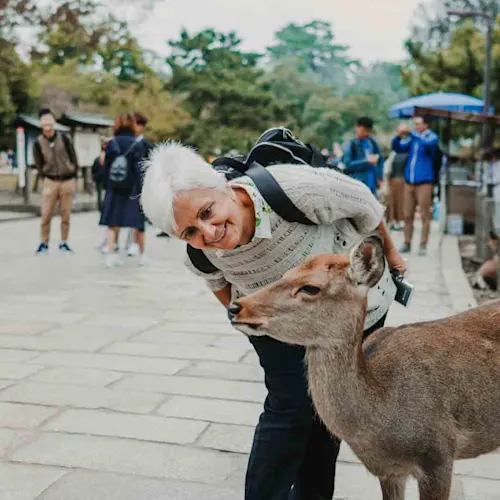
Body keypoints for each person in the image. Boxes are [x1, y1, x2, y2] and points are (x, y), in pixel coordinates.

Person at [140, 142, 406, 500]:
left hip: (352, 311)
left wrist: (392, 254)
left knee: (332, 409)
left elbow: (366, 207)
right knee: (290, 406)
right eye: (189, 232)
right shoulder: (203, 252)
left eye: (208, 211)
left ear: (223, 187)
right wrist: (257, 325)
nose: (208, 232)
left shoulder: (299, 190)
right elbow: (218, 281)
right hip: (279, 322)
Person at [99, 113, 149, 267]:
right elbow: (139, 169)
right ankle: (142, 256)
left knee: (113, 224)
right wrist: (142, 190)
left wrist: (107, 186)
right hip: (132, 189)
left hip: (114, 188)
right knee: (138, 224)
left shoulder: (112, 144)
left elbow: (106, 168)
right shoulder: (137, 144)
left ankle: (110, 255)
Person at [33, 108, 79, 255]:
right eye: (44, 120)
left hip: (67, 179)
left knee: (66, 213)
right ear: (41, 123)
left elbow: (73, 157)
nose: (47, 123)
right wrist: (44, 175)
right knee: (46, 213)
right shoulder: (38, 142)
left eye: (49, 120)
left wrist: (73, 172)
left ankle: (64, 242)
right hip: (50, 180)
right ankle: (43, 242)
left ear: (53, 122)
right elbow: (38, 162)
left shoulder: (64, 138)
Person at [391, 116, 439, 256]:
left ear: (426, 124)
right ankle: (407, 242)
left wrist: (411, 133)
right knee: (407, 214)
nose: (415, 126)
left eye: (418, 124)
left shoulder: (431, 137)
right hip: (409, 182)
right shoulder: (413, 139)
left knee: (425, 214)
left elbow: (428, 144)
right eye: (414, 124)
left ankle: (423, 244)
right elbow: (398, 148)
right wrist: (398, 136)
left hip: (424, 183)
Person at [126, 111, 155, 256]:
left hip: (141, 187)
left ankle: (136, 245)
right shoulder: (125, 143)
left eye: (137, 124)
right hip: (125, 186)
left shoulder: (148, 146)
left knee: (137, 217)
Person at [341, 116, 384, 197]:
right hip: (357, 185)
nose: (366, 133)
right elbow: (347, 164)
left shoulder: (372, 142)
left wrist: (379, 177)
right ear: (357, 128)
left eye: (368, 131)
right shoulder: (350, 144)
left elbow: (380, 158)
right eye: (364, 130)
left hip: (372, 185)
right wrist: (366, 161)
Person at [384, 148, 408, 231]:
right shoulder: (395, 154)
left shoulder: (395, 154)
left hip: (398, 180)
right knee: (394, 202)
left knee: (398, 202)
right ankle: (394, 221)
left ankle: (396, 221)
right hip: (395, 180)